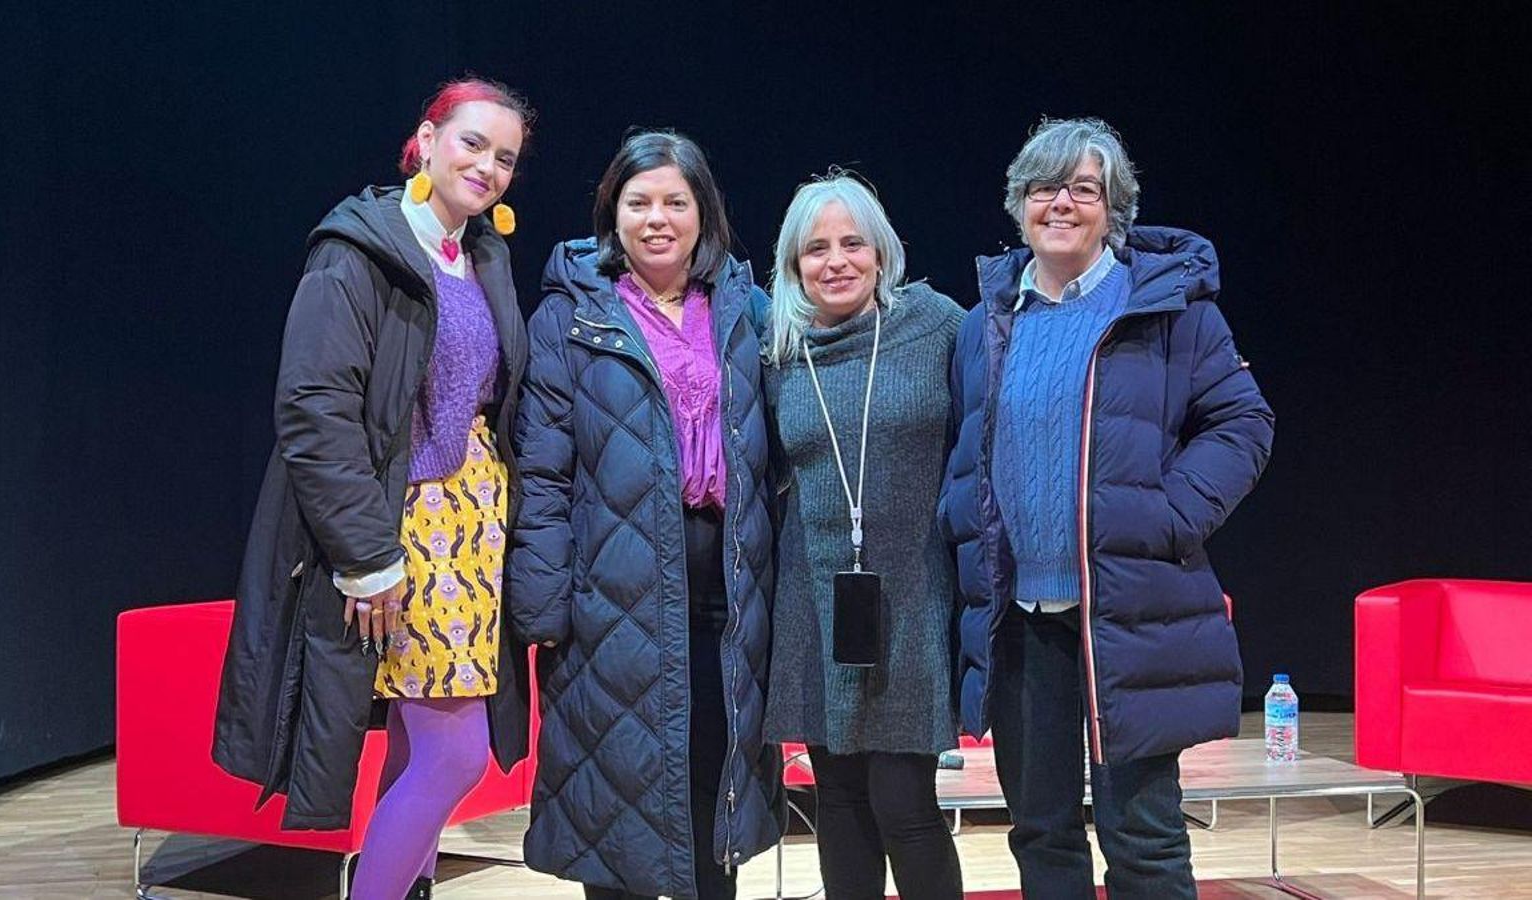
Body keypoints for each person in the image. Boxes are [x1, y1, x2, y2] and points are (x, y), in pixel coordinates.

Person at [212, 78, 534, 900]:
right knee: (455, 753)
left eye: (505, 158)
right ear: (425, 141)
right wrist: (367, 556)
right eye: (472, 144)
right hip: (403, 530)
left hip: (473, 524)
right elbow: (314, 410)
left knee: (419, 748)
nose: (488, 167)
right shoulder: (356, 251)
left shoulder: (482, 257)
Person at [940, 117, 1274, 898]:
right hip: (1021, 624)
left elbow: (1244, 421)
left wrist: (1172, 515)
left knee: (1143, 837)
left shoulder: (1168, 309)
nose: (1061, 203)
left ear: (1112, 207)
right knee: (1040, 832)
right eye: (1044, 187)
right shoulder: (986, 324)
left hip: (1124, 614)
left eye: (1083, 188)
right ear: (1019, 204)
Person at [508, 130, 782, 899]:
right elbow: (544, 468)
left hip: (726, 603)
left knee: (713, 796)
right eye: (639, 202)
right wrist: (543, 604)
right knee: (615, 810)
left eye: (675, 201)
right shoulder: (571, 316)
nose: (657, 218)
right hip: (612, 607)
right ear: (612, 214)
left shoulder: (744, 310)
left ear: (704, 213)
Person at [762, 171, 964, 899]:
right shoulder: (779, 352)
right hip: (815, 600)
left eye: (853, 243)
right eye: (815, 249)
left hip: (910, 595)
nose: (835, 260)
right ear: (792, 266)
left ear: (882, 252)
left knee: (905, 803)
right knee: (838, 797)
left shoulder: (936, 326)